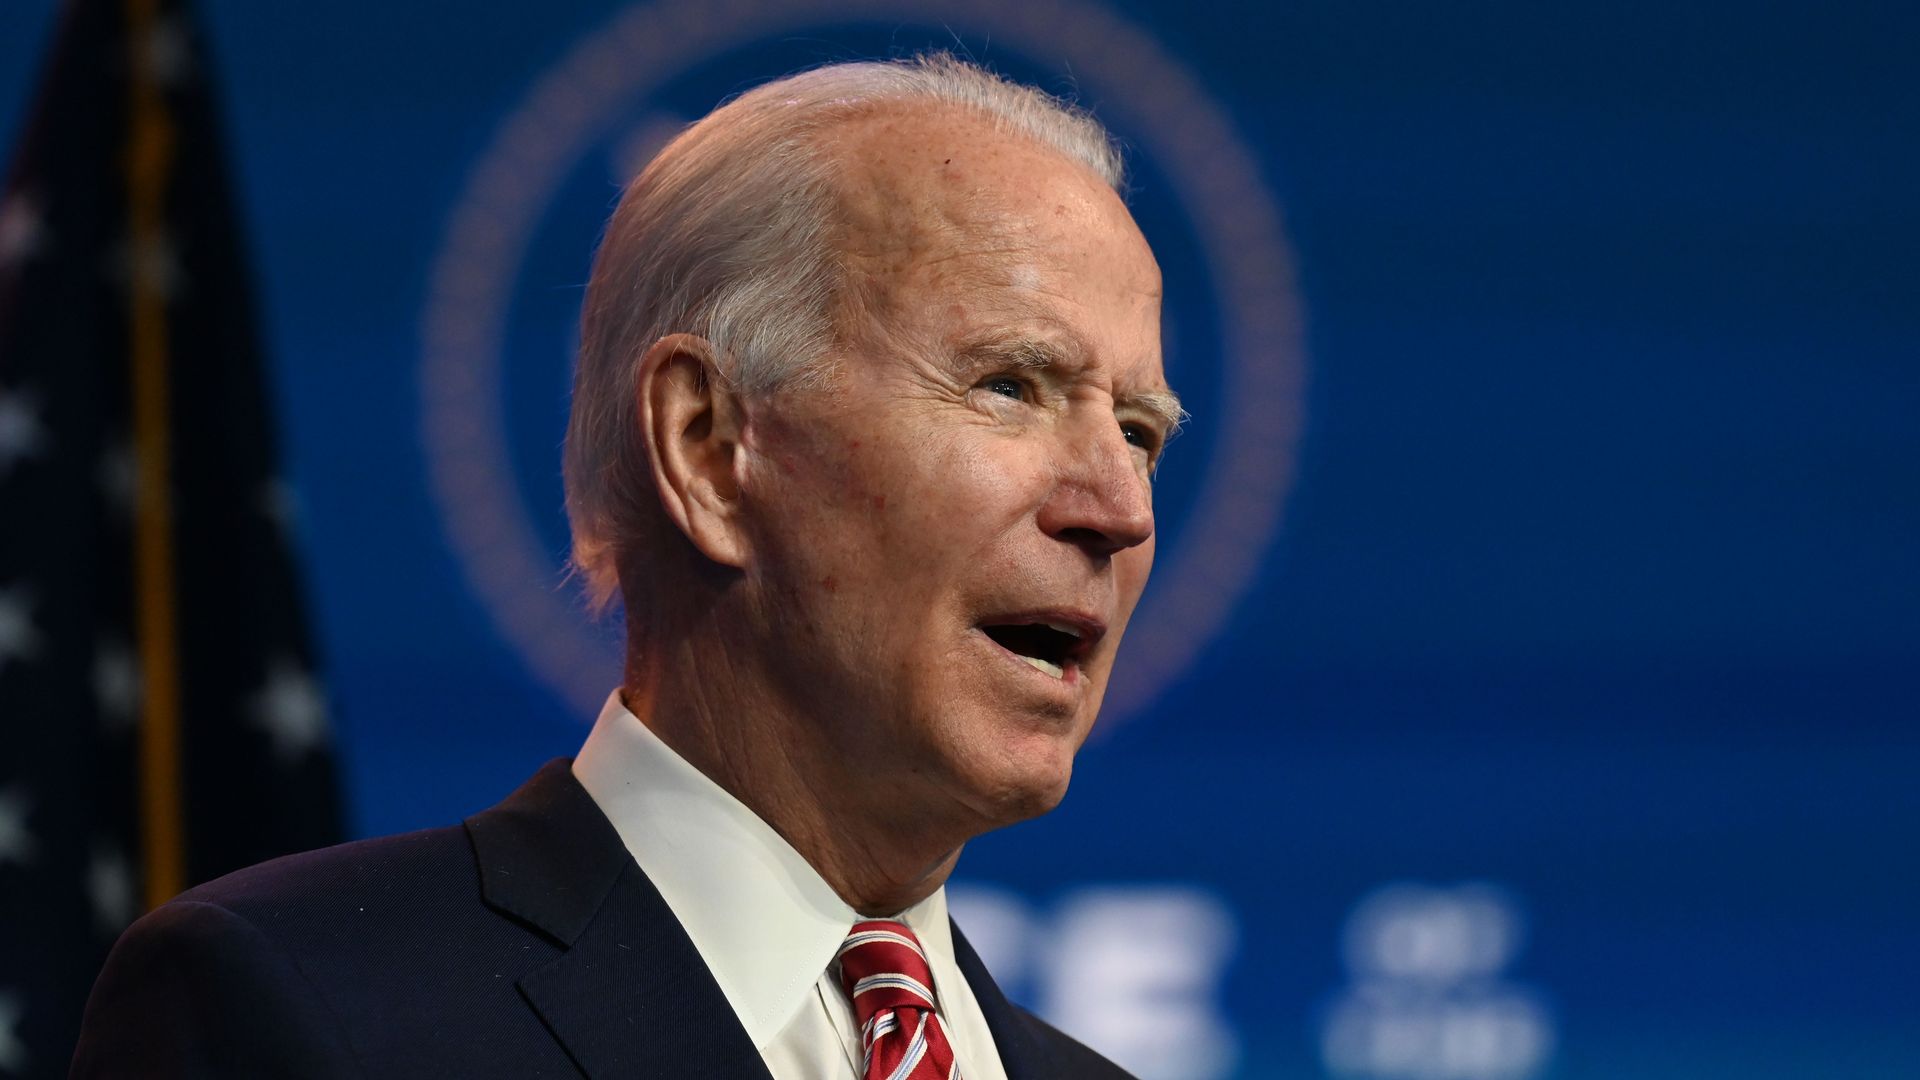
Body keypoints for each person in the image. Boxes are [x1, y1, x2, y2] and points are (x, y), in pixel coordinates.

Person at [72, 54, 1182, 1079]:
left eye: (1139, 430)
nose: (1119, 510)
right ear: (707, 448)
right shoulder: (304, 1009)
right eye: (1011, 387)